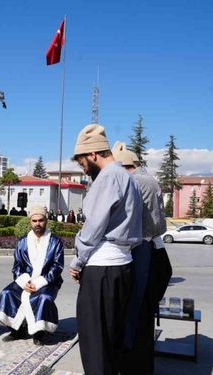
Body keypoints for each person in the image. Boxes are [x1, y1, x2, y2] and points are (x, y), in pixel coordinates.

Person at [69, 124, 143, 375]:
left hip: (102, 267)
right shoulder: (127, 177)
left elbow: (94, 226)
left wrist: (78, 261)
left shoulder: (108, 177)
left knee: (95, 343)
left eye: (82, 163)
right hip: (122, 265)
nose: (82, 168)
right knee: (112, 339)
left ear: (92, 154)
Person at [112, 142, 170, 375]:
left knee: (132, 308)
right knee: (142, 312)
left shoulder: (135, 181)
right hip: (151, 247)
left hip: (140, 247)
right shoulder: (149, 179)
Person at [0, 206, 65, 346]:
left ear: (46, 221)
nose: (37, 223)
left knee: (43, 297)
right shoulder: (22, 242)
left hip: (48, 281)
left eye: (40, 220)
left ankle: (39, 332)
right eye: (34, 221)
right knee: (7, 293)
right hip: (26, 281)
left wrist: (39, 282)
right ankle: (17, 330)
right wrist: (25, 282)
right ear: (30, 222)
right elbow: (17, 267)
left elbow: (57, 267)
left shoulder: (55, 242)